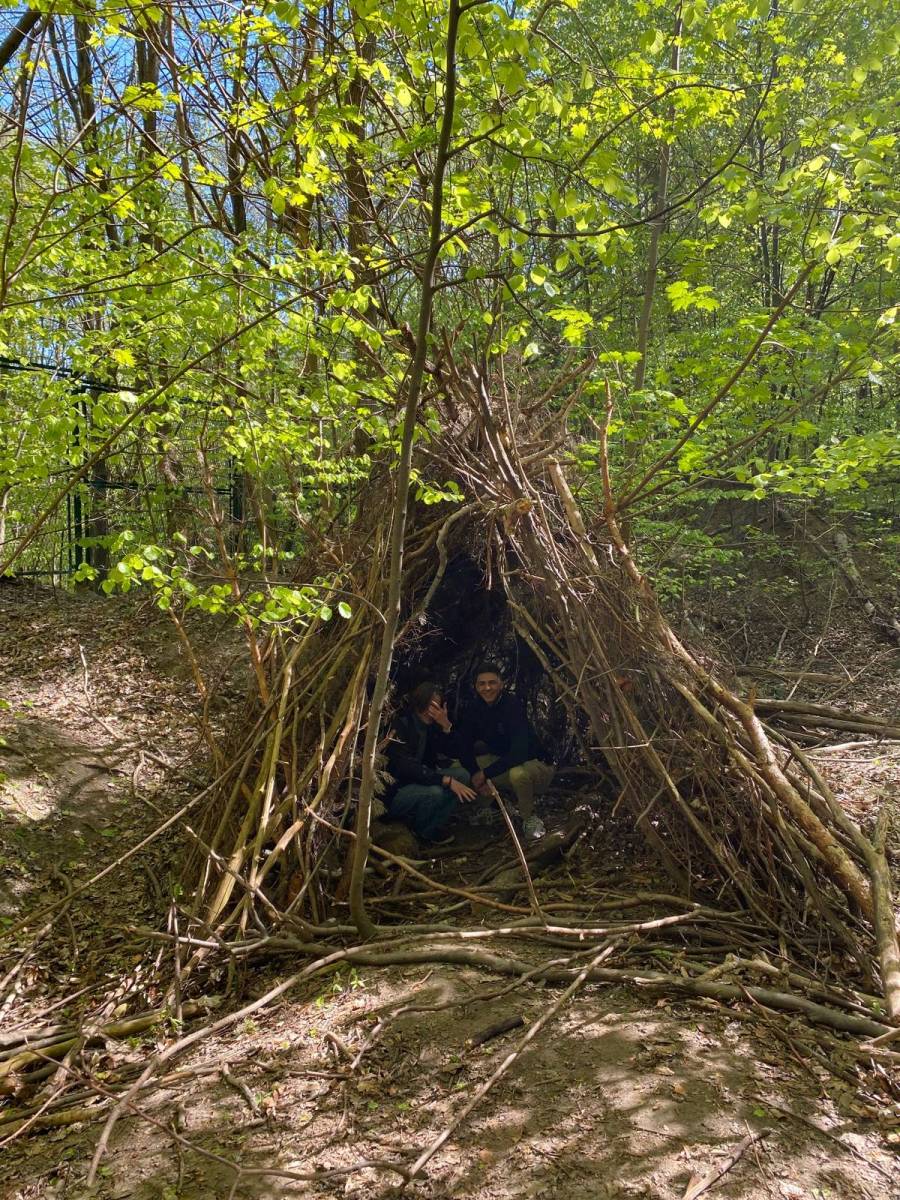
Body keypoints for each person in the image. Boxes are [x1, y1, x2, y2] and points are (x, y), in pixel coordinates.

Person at [458, 663, 554, 840]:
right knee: (459, 769)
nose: (487, 688)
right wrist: (475, 773)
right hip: (504, 762)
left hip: (535, 765)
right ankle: (492, 807)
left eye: (492, 683)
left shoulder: (512, 705)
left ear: (501, 684)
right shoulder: (475, 708)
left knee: (518, 774)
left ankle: (529, 817)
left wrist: (485, 774)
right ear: (476, 687)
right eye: (482, 684)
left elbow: (519, 753)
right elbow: (463, 745)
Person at [383, 680, 476, 843]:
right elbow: (406, 767)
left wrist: (446, 727)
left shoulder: (432, 727)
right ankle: (422, 832)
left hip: (422, 781)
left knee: (462, 775)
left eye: (436, 707)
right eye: (428, 705)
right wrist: (445, 780)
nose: (431, 711)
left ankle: (432, 825)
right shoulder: (402, 724)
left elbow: (455, 752)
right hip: (397, 791)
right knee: (435, 792)